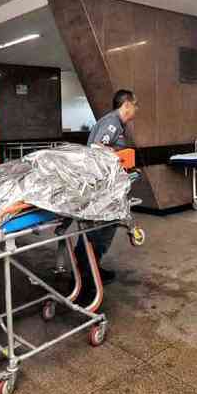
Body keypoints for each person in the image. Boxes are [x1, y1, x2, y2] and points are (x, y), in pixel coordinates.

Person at [74, 89, 138, 305]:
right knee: (98, 230)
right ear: (126, 105)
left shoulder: (118, 124)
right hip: (100, 189)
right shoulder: (112, 122)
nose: (136, 110)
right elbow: (97, 148)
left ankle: (93, 268)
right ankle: (85, 281)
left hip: (108, 188)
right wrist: (119, 158)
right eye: (134, 105)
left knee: (106, 228)